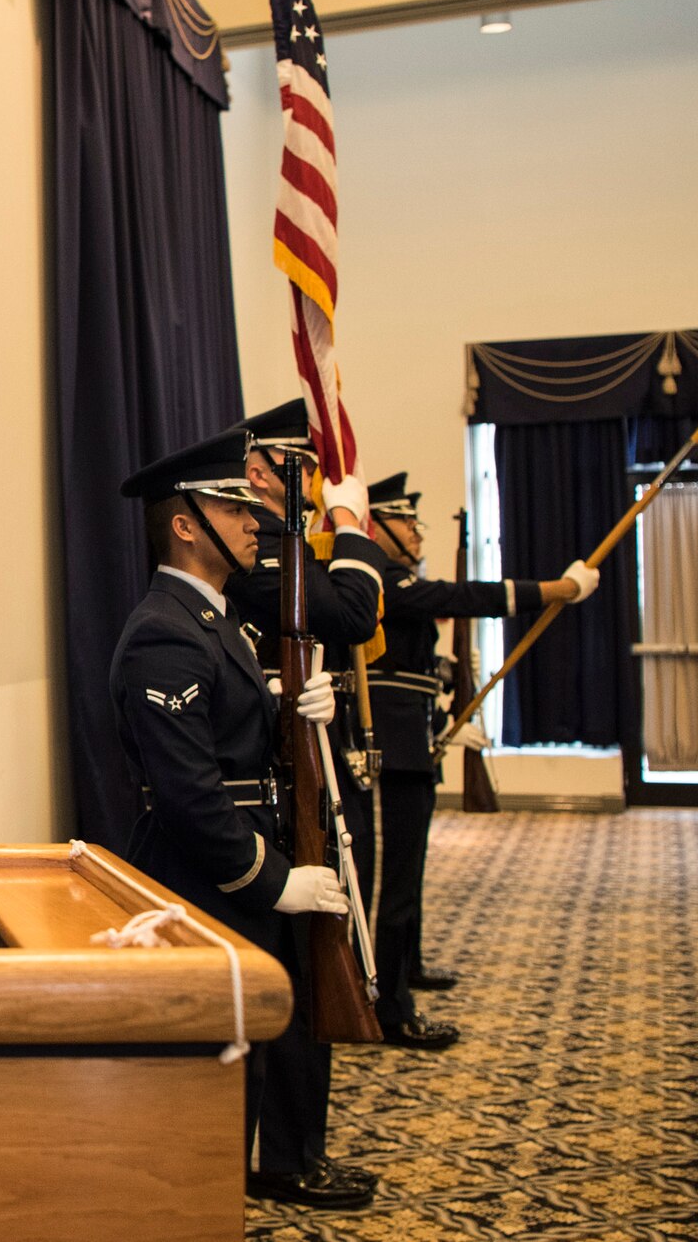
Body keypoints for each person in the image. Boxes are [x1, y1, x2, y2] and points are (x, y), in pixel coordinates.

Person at [109, 428, 374, 1212]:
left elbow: (232, 733)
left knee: (275, 1024)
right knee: (229, 1047)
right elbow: (190, 791)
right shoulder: (163, 629)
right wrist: (271, 878)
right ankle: (207, 1203)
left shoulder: (213, 619)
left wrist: (293, 707)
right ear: (185, 523)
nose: (255, 518)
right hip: (210, 870)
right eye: (233, 505)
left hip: (252, 851)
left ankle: (272, 1168)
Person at [359, 471, 597, 1048]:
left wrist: (443, 714)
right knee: (391, 882)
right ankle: (389, 1007)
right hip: (389, 749)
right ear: (377, 525)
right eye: (406, 522)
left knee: (407, 874)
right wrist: (551, 591)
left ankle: (405, 968)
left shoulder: (397, 578)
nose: (416, 532)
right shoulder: (382, 580)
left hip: (412, 738)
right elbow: (459, 597)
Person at [217, 399, 386, 1205]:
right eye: (303, 468)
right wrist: (350, 523)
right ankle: (283, 1155)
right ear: (262, 472)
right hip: (268, 804)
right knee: (289, 989)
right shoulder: (260, 559)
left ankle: (296, 1149)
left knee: (311, 981)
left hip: (305, 782)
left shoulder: (279, 550)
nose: (313, 484)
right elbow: (352, 612)